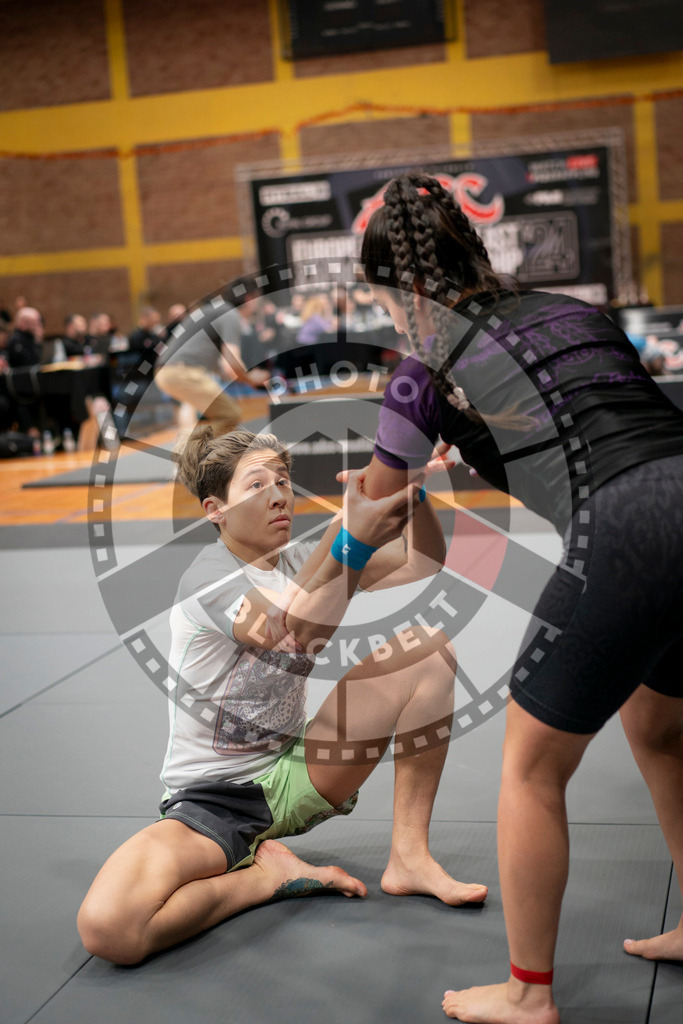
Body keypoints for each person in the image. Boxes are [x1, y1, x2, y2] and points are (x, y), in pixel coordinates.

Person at [356, 172, 683, 1024]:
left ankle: (526, 994)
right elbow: (606, 413)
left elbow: (375, 504)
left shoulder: (421, 367)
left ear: (400, 290)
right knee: (660, 724)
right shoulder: (575, 312)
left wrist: (320, 584)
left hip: (626, 524)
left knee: (530, 768)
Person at [77, 425, 487, 965]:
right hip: (216, 800)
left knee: (427, 651)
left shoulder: (299, 558)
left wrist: (411, 491)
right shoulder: (208, 577)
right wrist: (351, 541)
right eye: (256, 484)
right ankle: (268, 875)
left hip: (297, 770)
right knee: (109, 929)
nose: (278, 493)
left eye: (284, 480)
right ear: (213, 510)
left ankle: (410, 857)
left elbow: (422, 561)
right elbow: (283, 635)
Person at [155, 295, 269, 436]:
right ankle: (195, 451)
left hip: (164, 372)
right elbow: (232, 362)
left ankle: (187, 449)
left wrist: (247, 379)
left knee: (189, 407)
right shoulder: (230, 314)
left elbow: (223, 371)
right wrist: (251, 378)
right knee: (229, 415)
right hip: (183, 371)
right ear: (248, 299)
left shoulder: (208, 313)